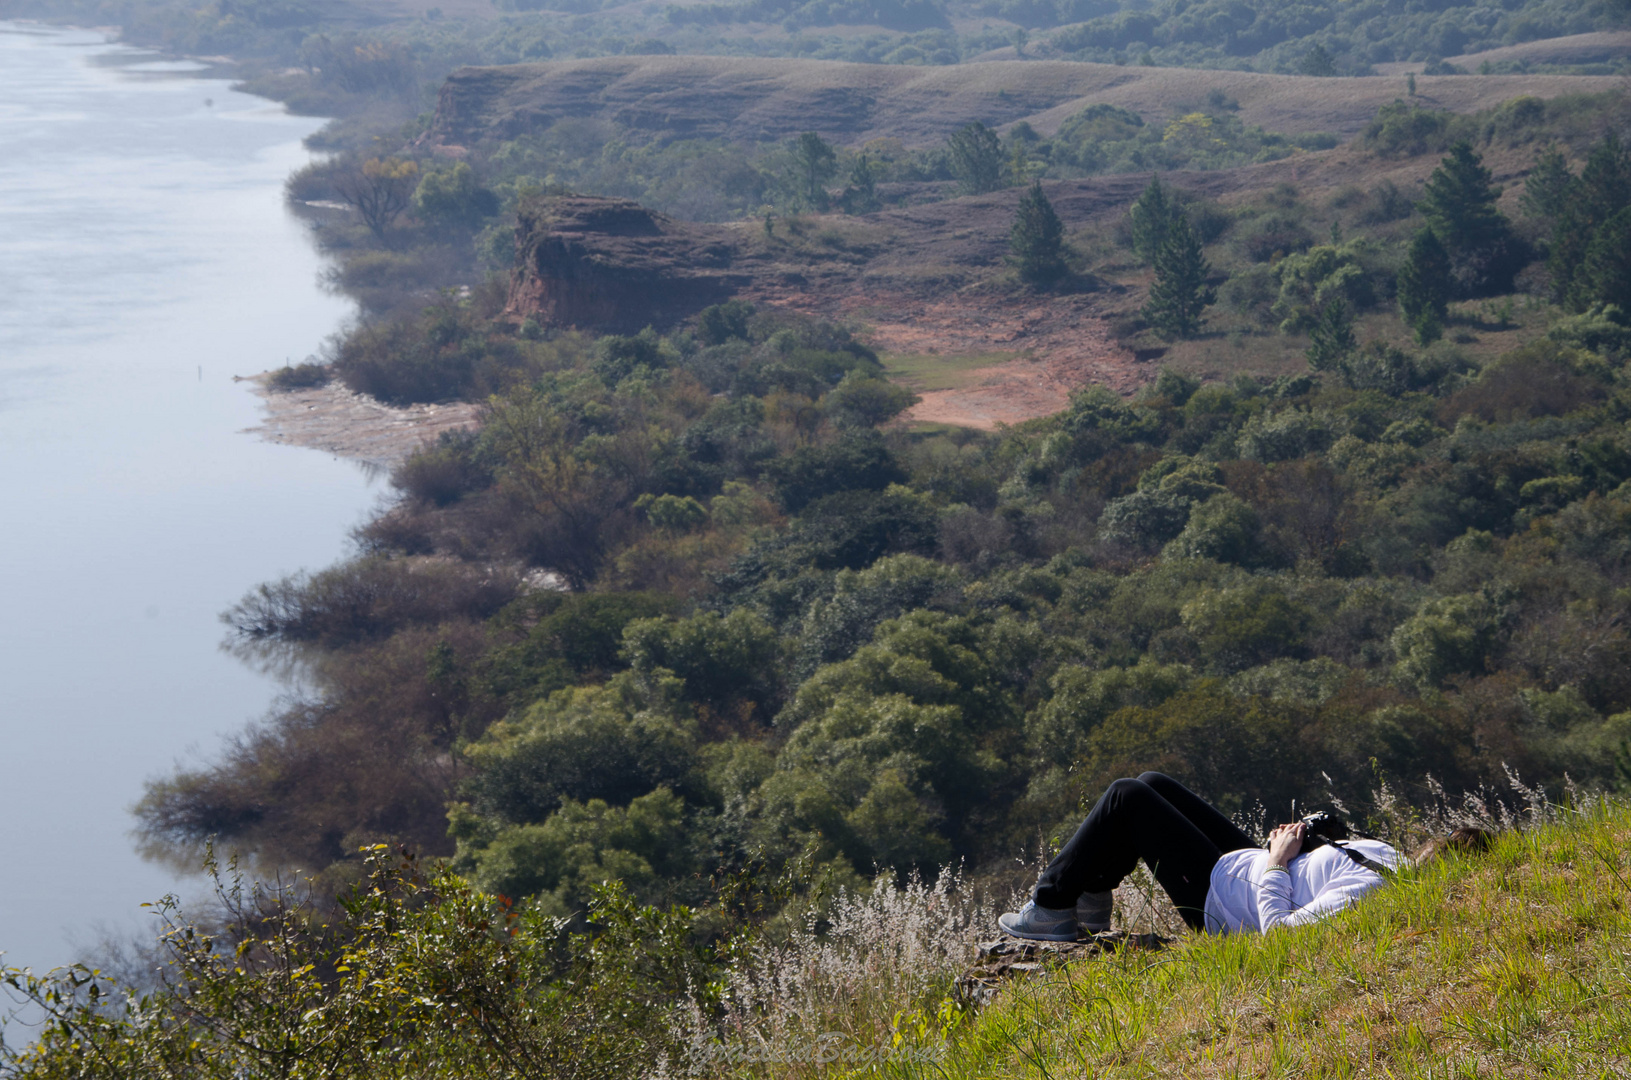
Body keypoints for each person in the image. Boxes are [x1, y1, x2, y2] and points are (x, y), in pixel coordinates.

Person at [998, 771, 1406, 940]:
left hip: (1220, 898)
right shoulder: (1388, 858)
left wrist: (1279, 860)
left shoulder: (1366, 889)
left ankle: (1050, 906)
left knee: (1128, 795)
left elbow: (1281, 934)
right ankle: (1091, 902)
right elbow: (1317, 878)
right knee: (1151, 782)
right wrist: (1305, 842)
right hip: (1248, 864)